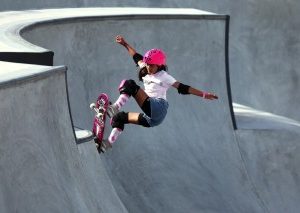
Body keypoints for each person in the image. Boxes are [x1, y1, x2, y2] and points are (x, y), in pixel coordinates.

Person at [99, 35, 218, 152]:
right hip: (152, 119)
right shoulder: (145, 68)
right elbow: (136, 56)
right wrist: (125, 44)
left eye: (151, 65)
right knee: (119, 118)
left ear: (159, 65)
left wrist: (203, 94)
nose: (148, 67)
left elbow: (183, 87)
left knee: (129, 84)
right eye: (147, 64)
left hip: (158, 107)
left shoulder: (164, 76)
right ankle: (107, 144)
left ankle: (114, 108)